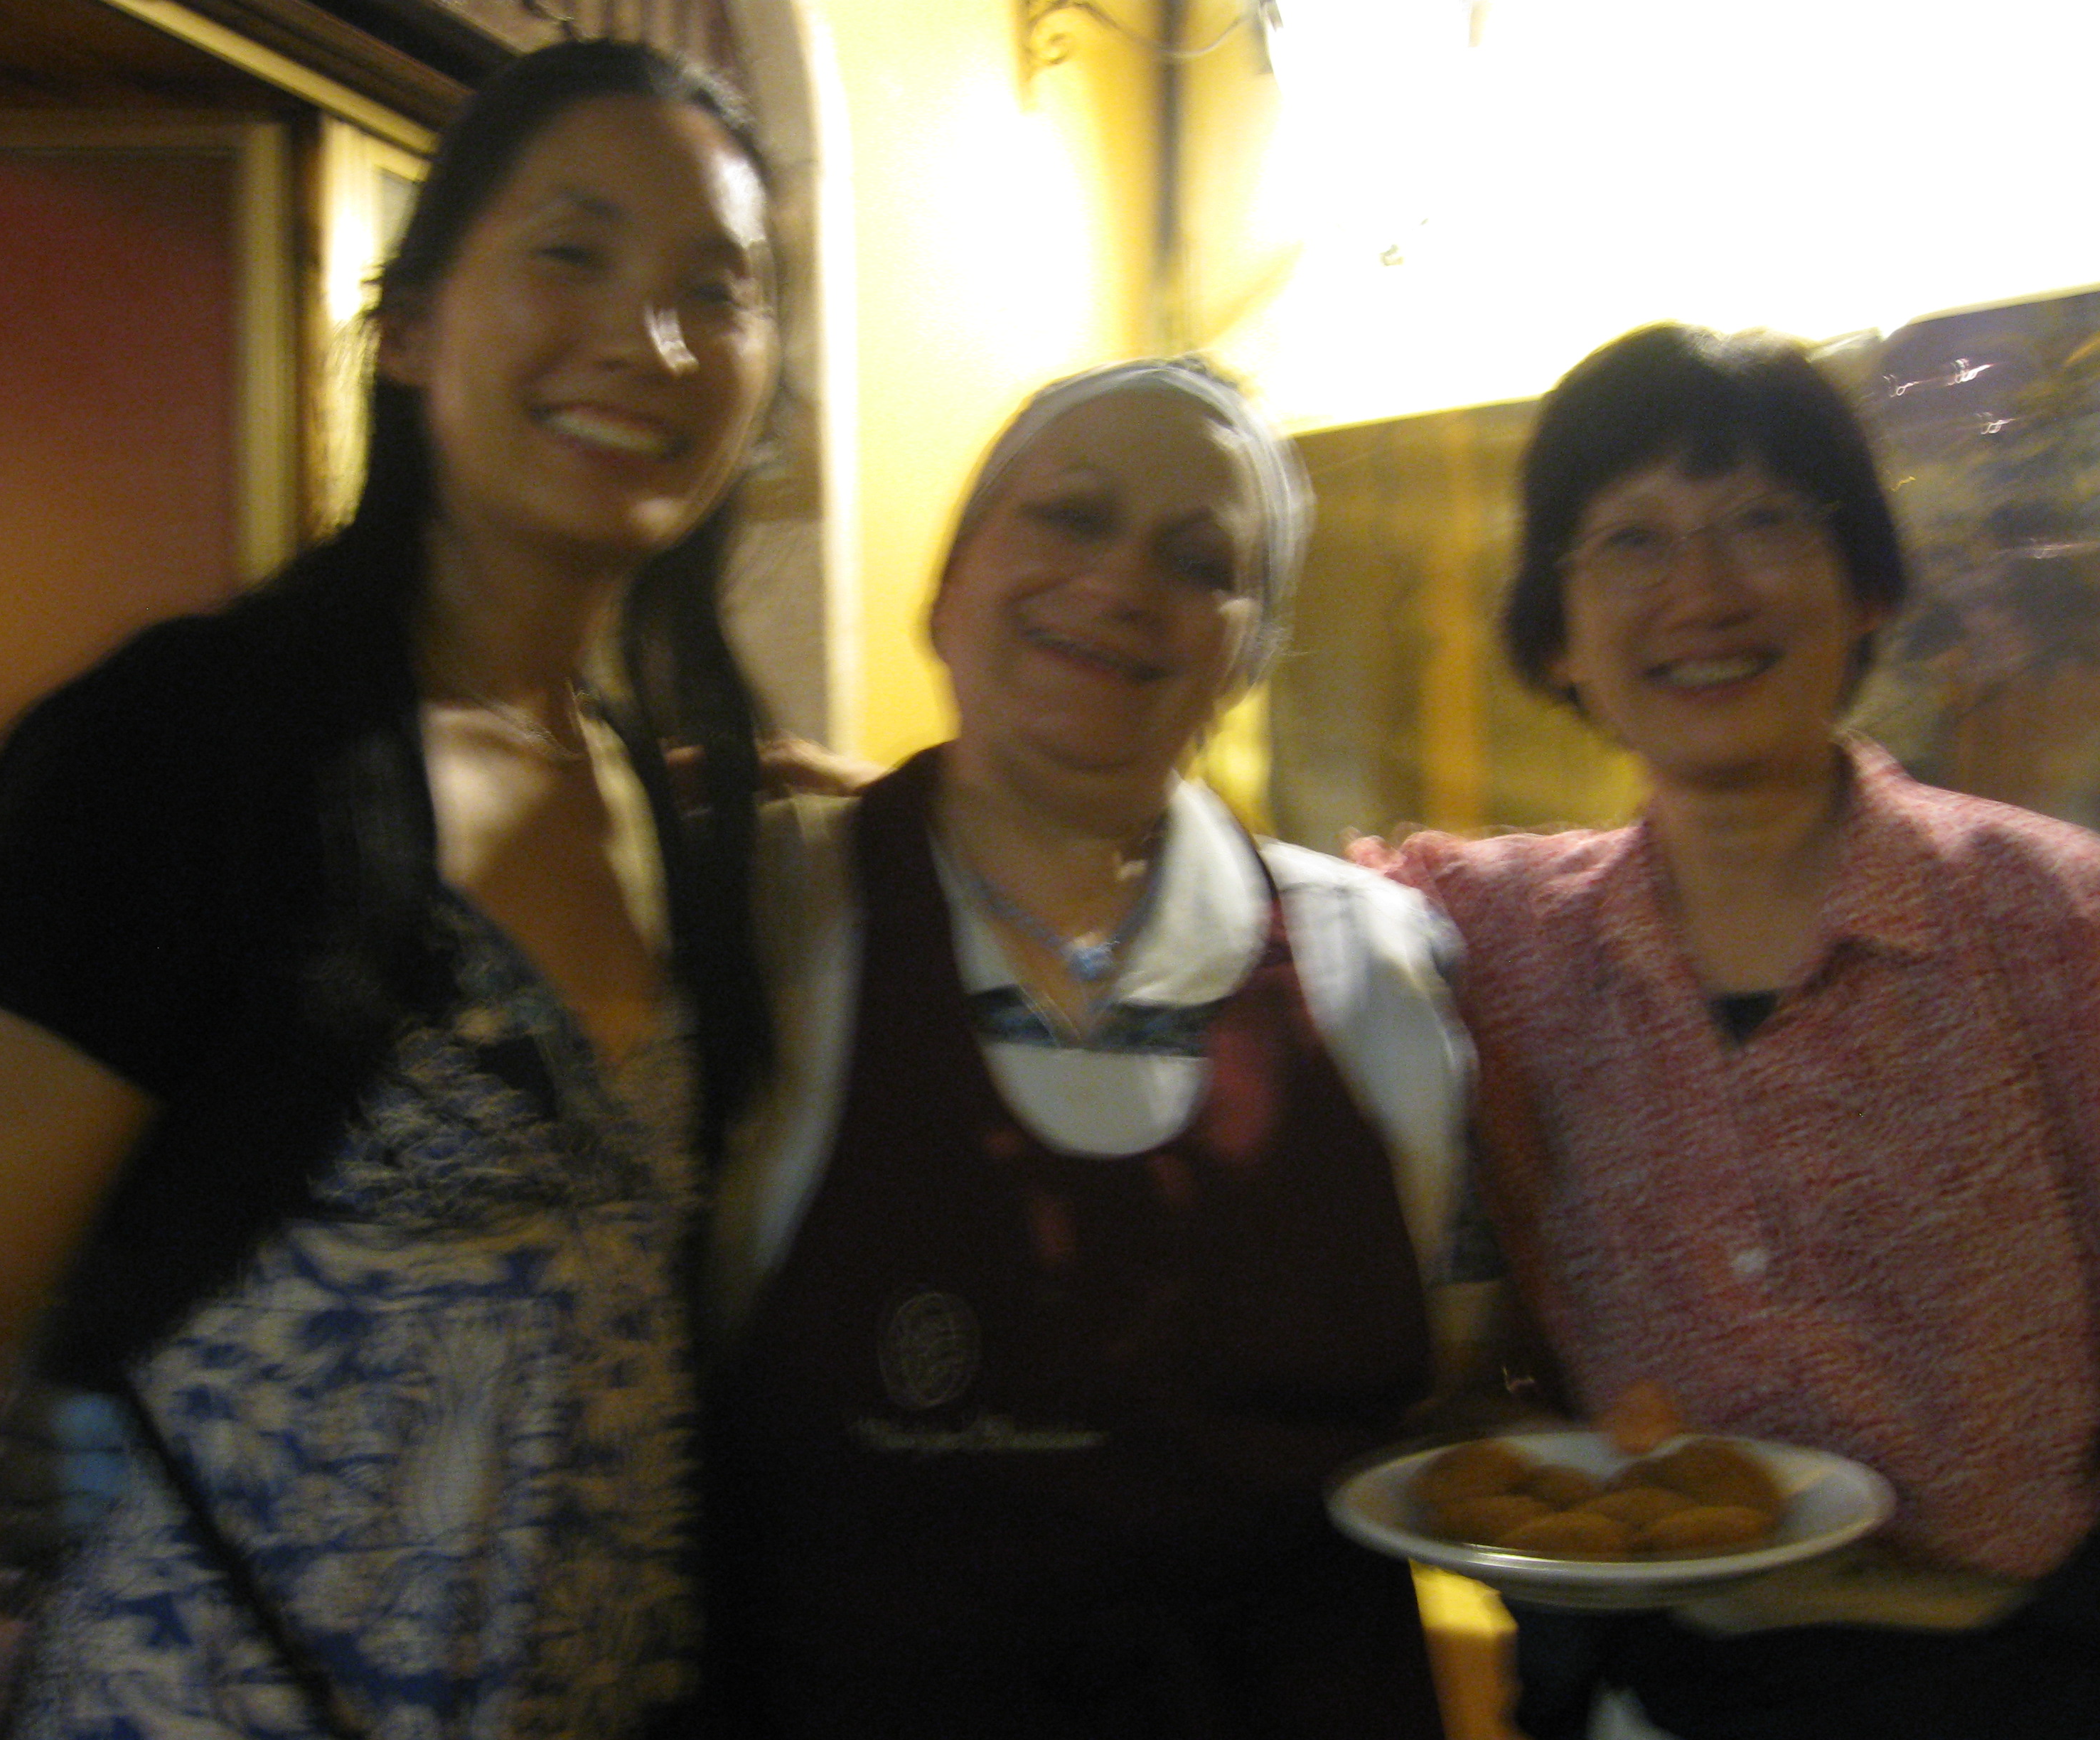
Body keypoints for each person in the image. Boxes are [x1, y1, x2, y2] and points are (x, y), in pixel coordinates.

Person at [0, 39, 781, 1739]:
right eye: (572, 251)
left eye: (720, 289)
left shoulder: (671, 812)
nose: (654, 338)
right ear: (412, 328)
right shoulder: (186, 750)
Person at [702, 358, 1480, 1737]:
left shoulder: (1377, 968)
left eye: (1200, 562)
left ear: (1249, 655)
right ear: (947, 585)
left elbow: (1462, 1396)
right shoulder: (759, 921)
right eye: (1070, 516)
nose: (1122, 583)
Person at [1363, 323, 2100, 1739]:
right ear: (1558, 635)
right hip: (1648, 1689)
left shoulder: (2052, 922)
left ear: (1865, 583)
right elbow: (1247, 913)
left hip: (2011, 1678)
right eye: (1630, 542)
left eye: (1763, 522)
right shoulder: (1503, 939)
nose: (1701, 592)